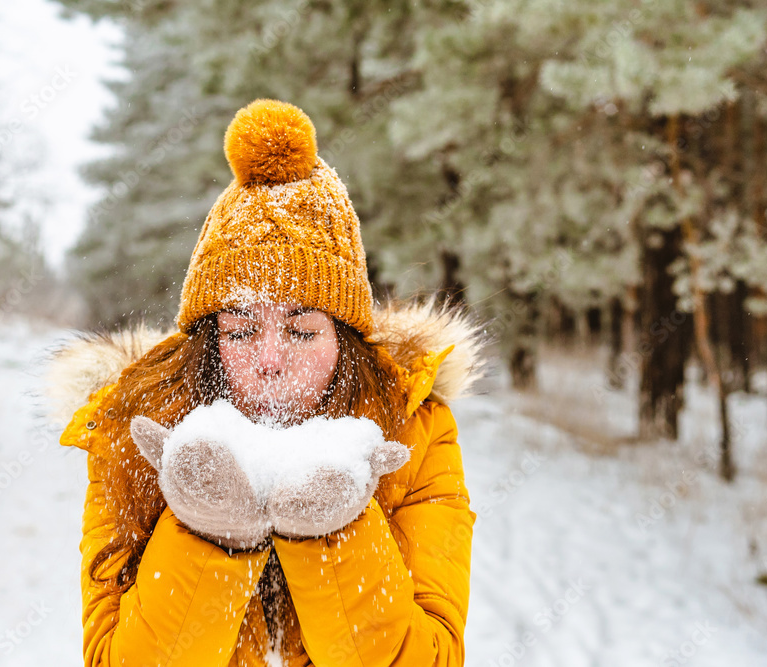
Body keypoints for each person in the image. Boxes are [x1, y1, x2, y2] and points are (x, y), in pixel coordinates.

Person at [48, 98, 485, 666]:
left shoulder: (415, 429)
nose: (271, 360)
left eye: (302, 332)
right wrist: (208, 531)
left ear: (344, 338)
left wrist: (332, 529)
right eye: (241, 330)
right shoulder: (131, 435)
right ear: (208, 342)